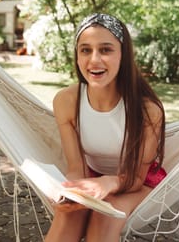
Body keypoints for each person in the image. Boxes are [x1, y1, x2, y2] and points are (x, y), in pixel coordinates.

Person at [45, 13, 166, 242]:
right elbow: (75, 167)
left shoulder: (148, 111)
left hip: (135, 182)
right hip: (92, 179)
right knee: (67, 215)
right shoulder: (66, 101)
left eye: (106, 50)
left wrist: (109, 183)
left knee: (106, 216)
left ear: (123, 55)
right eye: (85, 50)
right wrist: (70, 191)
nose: (94, 60)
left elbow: (137, 178)